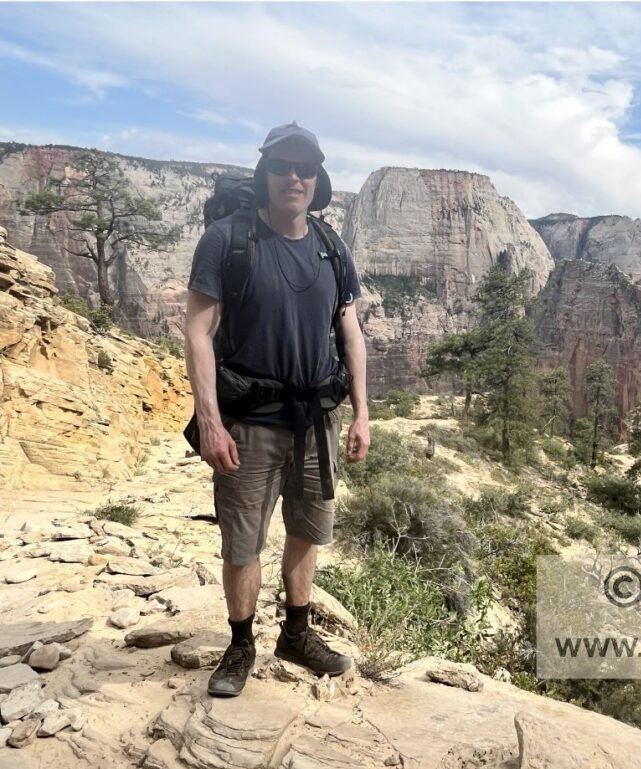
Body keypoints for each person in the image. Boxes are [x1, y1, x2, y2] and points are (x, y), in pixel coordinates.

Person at [183, 122, 370, 697]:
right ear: (264, 173)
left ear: (319, 179)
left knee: (307, 531)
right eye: (283, 166)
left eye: (306, 167)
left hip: (316, 419)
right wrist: (210, 421)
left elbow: (351, 331)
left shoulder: (331, 246)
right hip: (249, 422)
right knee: (242, 541)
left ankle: (297, 632)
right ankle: (240, 645)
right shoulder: (228, 239)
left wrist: (363, 412)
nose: (295, 176)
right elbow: (197, 329)